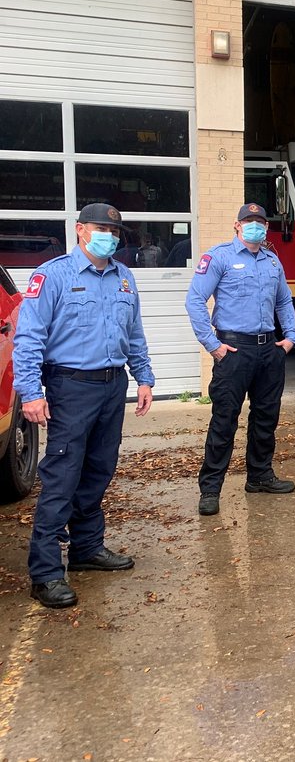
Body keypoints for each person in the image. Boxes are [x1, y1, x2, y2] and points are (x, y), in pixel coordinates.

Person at [13, 203, 155, 609]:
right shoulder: (52, 275)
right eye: (100, 228)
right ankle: (44, 573)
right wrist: (31, 392)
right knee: (62, 475)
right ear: (80, 231)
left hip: (113, 386)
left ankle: (87, 549)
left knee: (98, 470)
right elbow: (29, 339)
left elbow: (135, 334)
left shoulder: (124, 277)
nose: (108, 235)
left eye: (114, 230)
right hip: (70, 387)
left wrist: (144, 377)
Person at [186, 202, 295, 516]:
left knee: (266, 418)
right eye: (248, 221)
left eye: (260, 222)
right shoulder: (219, 257)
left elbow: (284, 301)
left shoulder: (272, 261)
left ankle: (260, 476)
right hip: (233, 350)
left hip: (269, 351)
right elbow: (195, 300)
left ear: (266, 228)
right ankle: (210, 489)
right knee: (224, 421)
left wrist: (290, 338)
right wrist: (213, 345)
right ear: (236, 226)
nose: (255, 226)